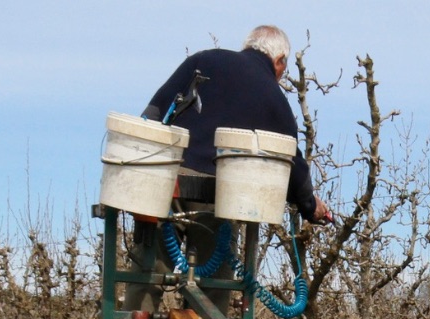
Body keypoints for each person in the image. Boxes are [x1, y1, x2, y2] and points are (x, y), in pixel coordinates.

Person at [143, 25, 335, 224]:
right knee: (213, 255)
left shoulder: (202, 59)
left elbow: (153, 112)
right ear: (279, 61)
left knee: (155, 253)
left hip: (170, 177)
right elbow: (292, 162)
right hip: (218, 192)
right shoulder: (274, 97)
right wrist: (310, 205)